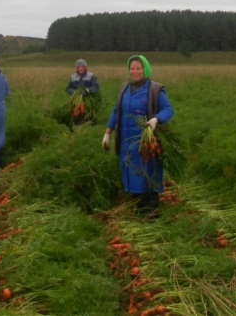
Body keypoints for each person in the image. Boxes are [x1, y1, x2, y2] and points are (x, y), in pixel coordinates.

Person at [102, 55, 174, 218]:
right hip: (126, 142)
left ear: (145, 69)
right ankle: (139, 209)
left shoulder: (154, 89)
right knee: (132, 172)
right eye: (132, 68)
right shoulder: (124, 88)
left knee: (148, 173)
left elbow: (168, 110)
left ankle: (152, 213)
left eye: (138, 68)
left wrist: (155, 119)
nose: (135, 72)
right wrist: (108, 132)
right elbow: (116, 111)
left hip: (145, 143)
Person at [65, 59, 100, 125]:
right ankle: (76, 128)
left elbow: (96, 87)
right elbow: (67, 89)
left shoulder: (91, 76)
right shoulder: (73, 77)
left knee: (89, 117)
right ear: (77, 68)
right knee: (76, 117)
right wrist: (73, 92)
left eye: (82, 67)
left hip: (89, 101)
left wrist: (88, 90)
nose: (81, 68)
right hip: (76, 103)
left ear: (85, 67)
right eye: (79, 67)